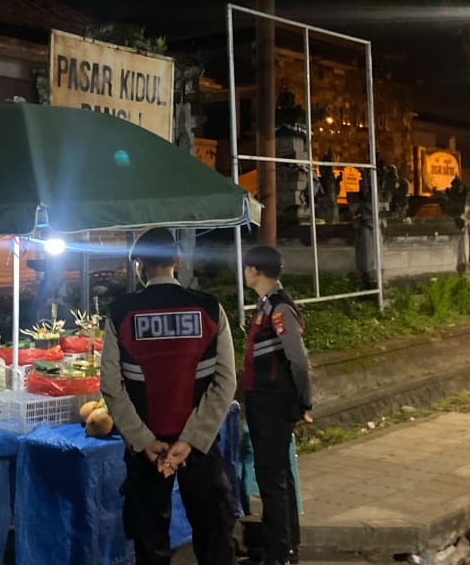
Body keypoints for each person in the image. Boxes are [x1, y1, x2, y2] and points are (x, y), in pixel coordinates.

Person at [101, 228, 237, 565]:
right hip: (200, 448)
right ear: (177, 260)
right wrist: (190, 440)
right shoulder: (209, 309)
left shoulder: (120, 312)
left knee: (150, 545)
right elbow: (225, 382)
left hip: (147, 450)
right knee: (215, 540)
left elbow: (111, 386)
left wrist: (144, 441)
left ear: (140, 265)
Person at [242, 245, 314, 565]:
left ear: (256, 271)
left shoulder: (280, 307)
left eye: (247, 268)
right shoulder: (266, 305)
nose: (245, 273)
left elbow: (298, 360)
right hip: (263, 399)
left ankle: (279, 553)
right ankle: (286, 547)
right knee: (277, 474)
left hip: (273, 401)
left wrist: (304, 400)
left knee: (272, 477)